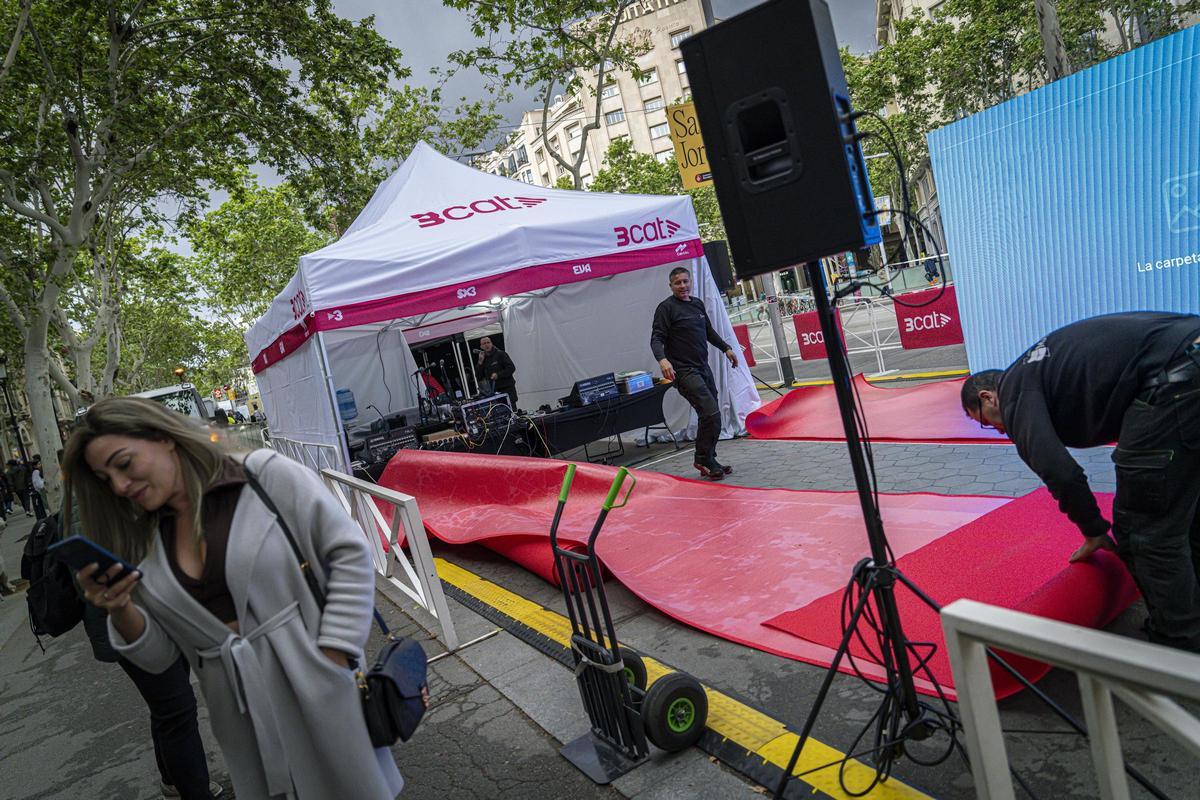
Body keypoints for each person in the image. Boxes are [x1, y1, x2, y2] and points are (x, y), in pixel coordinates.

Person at [65, 397, 404, 799]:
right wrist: (119, 607)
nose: (120, 485)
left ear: (164, 438)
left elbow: (349, 551)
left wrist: (334, 652)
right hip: (240, 718)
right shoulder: (144, 540)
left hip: (318, 683)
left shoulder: (262, 477)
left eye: (124, 464)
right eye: (106, 479)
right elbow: (159, 658)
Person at [961, 311, 1200, 652]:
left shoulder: (1014, 391)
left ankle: (1179, 648)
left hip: (1175, 379)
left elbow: (1060, 470)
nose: (998, 430)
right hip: (1187, 357)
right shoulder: (1037, 367)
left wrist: (1093, 529)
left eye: (985, 422)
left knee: (1145, 531)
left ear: (988, 397)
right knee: (1185, 513)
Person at [651, 266, 739, 480]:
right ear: (670, 286)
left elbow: (708, 331)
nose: (683, 286)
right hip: (683, 371)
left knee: (711, 415)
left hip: (702, 368)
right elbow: (656, 338)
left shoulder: (697, 304)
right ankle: (702, 458)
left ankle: (710, 458)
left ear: (690, 283)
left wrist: (726, 348)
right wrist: (662, 359)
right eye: (678, 283)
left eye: (685, 282)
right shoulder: (666, 308)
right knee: (710, 413)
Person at [476, 337, 517, 408]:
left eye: (488, 342)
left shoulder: (501, 354)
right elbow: (478, 377)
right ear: (481, 347)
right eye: (484, 343)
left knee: (512, 412)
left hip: (507, 389)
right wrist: (480, 363)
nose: (486, 345)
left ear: (491, 343)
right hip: (494, 393)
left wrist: (498, 375)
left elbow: (511, 368)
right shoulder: (483, 359)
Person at [30, 454, 47, 519]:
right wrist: (44, 484)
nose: (40, 465)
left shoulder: (36, 471)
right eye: (39, 464)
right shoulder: (36, 472)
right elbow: (38, 483)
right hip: (40, 491)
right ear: (35, 466)